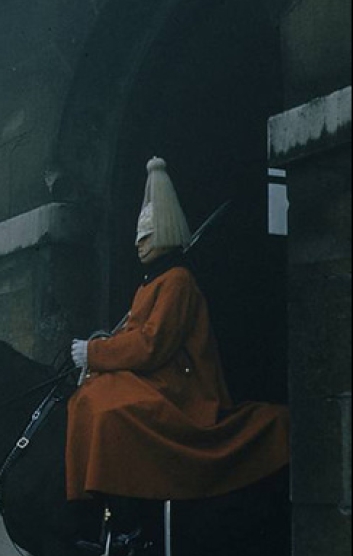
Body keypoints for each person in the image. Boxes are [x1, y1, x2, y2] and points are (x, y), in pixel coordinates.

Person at [65, 156, 290, 505]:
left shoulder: (178, 282)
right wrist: (106, 347)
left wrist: (95, 353)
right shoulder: (149, 284)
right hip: (155, 375)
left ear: (164, 234)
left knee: (111, 409)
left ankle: (122, 494)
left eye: (146, 236)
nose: (138, 244)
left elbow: (153, 344)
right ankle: (91, 496)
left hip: (180, 386)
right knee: (88, 397)